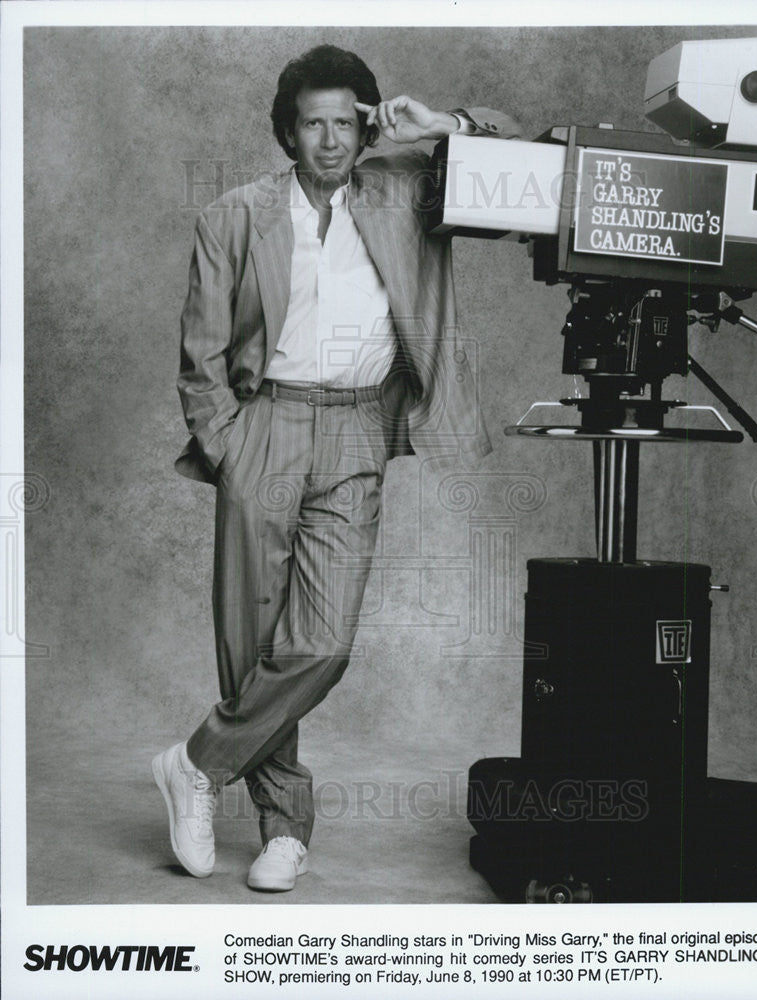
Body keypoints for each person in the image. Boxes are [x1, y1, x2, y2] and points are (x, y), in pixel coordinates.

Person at [152, 43, 521, 892]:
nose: (329, 139)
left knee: (321, 641)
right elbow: (200, 355)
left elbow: (516, 171)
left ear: (366, 125)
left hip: (356, 430)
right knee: (253, 642)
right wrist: (228, 445)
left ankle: (195, 764)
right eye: (311, 123)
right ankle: (284, 828)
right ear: (287, 133)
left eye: (344, 122)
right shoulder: (233, 216)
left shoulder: (406, 189)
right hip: (266, 428)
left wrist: (444, 126)